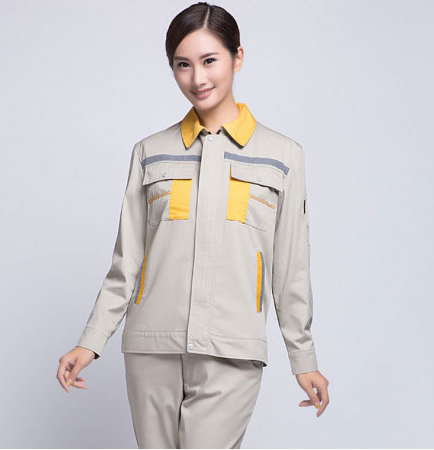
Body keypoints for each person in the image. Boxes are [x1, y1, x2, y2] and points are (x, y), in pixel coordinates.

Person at [56, 2, 330, 448]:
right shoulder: (150, 152)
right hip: (151, 347)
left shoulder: (282, 156)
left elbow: (290, 267)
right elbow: (127, 262)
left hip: (232, 349)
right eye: (182, 64)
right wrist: (91, 341)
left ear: (237, 58)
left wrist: (304, 358)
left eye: (209, 60)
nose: (197, 78)